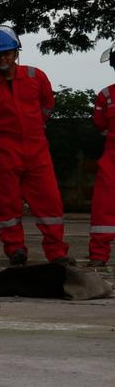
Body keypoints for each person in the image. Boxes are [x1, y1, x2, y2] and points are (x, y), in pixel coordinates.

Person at [0, 25, 71, 266]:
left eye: (7, 53)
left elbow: (48, 105)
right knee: (7, 204)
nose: (2, 58)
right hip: (4, 152)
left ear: (16, 53)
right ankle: (15, 249)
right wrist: (3, 132)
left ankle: (57, 253)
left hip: (37, 150)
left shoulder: (36, 77)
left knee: (49, 202)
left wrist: (34, 126)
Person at [89, 43, 115, 267]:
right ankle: (98, 255)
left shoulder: (107, 95)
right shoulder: (105, 95)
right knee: (103, 205)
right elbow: (101, 125)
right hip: (112, 156)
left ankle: (98, 255)